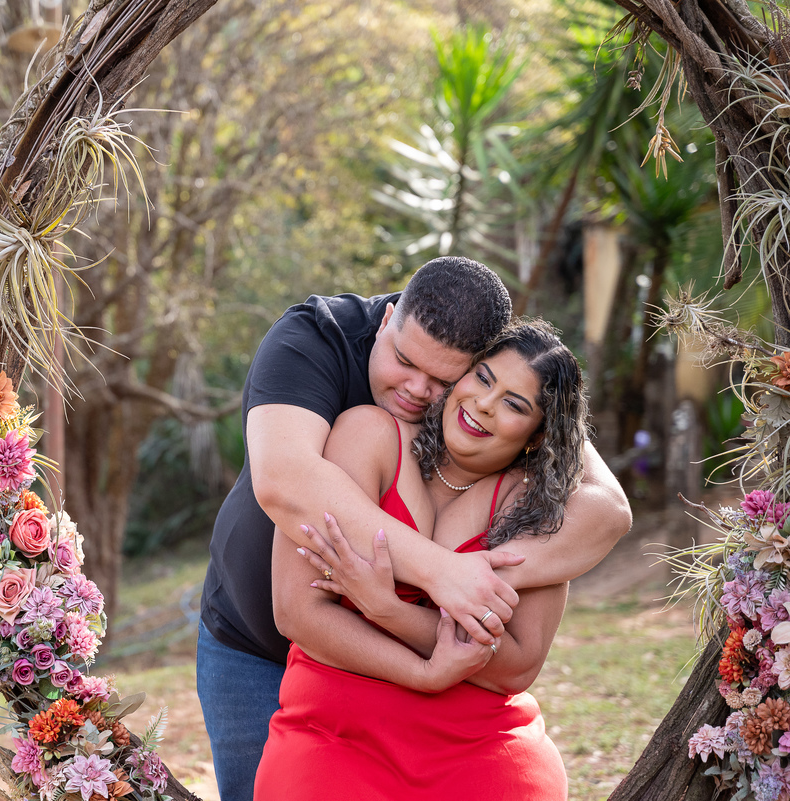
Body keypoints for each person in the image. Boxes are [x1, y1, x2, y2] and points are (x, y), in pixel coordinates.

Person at [197, 257, 631, 801]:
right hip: (257, 644)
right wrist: (445, 578)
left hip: (461, 730)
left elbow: (609, 507)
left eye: (444, 378)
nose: (416, 389)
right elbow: (284, 483)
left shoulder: (511, 425)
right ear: (386, 319)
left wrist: (465, 586)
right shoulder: (317, 340)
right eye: (403, 360)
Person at [254, 320, 585, 800]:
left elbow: (515, 667)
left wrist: (388, 610)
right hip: (335, 729)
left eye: (515, 404)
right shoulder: (368, 435)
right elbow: (297, 612)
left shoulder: (535, 504)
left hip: (479, 741)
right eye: (483, 378)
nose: (484, 404)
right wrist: (425, 672)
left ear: (537, 434)